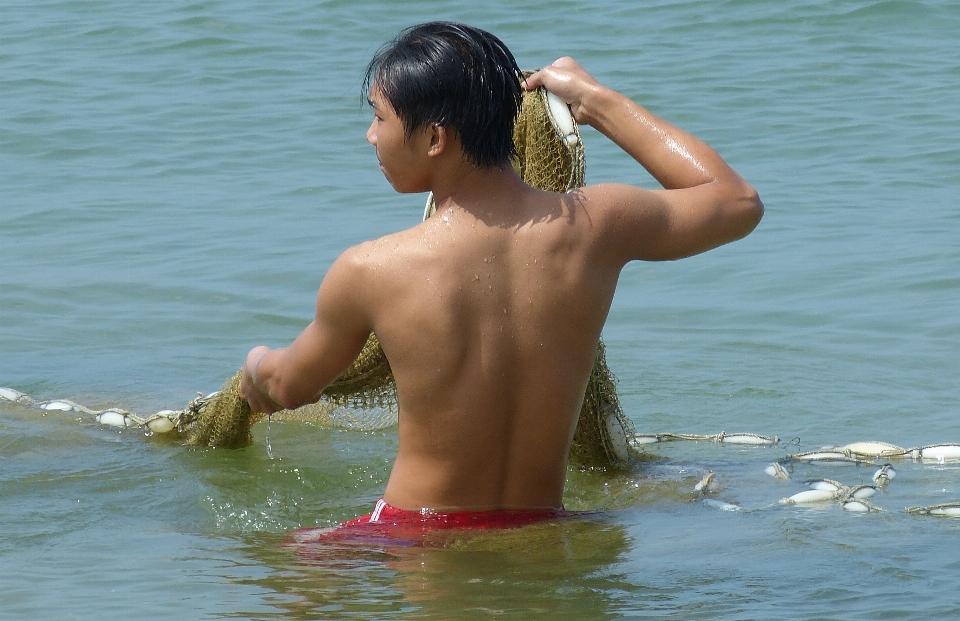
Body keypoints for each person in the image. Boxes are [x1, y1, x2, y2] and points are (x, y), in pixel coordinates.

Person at [240, 22, 763, 528]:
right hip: (543, 528)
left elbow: (288, 387)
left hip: (417, 534)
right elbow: (736, 201)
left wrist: (255, 366)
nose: (370, 135)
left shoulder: (371, 269)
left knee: (265, 579)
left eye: (380, 118)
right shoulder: (595, 226)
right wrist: (593, 97)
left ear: (435, 139)